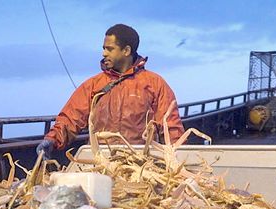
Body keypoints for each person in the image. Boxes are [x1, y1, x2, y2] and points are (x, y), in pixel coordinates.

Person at [37, 24, 184, 157]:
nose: (104, 53)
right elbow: (70, 118)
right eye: (103, 48)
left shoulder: (155, 84)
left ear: (126, 50)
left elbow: (171, 127)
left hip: (142, 164)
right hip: (99, 163)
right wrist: (51, 140)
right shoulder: (93, 85)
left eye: (110, 49)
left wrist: (179, 157)